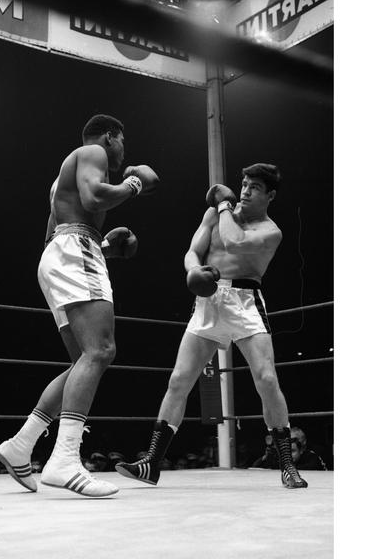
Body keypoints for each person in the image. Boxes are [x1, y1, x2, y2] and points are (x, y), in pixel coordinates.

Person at [0, 114, 159, 497]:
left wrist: (101, 248)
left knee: (83, 360)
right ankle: (64, 460)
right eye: (122, 142)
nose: (121, 152)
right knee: (101, 351)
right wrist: (134, 183)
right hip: (74, 250)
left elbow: (58, 230)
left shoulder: (64, 177)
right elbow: (94, 197)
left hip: (62, 253)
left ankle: (22, 443)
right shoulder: (93, 150)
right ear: (111, 135)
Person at [115, 163, 307, 489]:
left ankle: (288, 465)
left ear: (270, 195)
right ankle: (152, 462)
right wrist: (193, 272)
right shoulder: (216, 214)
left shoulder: (270, 230)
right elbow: (193, 251)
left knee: (266, 378)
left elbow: (233, 242)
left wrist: (222, 205)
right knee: (179, 379)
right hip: (209, 300)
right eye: (243, 184)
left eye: (254, 188)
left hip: (246, 302)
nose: (245, 191)